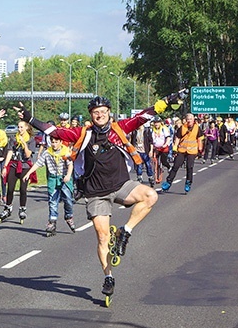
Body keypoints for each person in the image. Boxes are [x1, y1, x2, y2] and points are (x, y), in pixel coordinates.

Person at [16, 94, 174, 302]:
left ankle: (124, 232)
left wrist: (166, 102)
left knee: (150, 196)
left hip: (121, 186)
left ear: (109, 113)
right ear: (91, 115)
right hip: (96, 192)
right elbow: (54, 131)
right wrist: (29, 118)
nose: (100, 115)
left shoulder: (120, 128)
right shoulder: (83, 134)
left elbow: (144, 116)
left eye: (103, 111)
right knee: (102, 237)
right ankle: (108, 276)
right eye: (96, 112)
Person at [23, 134, 75, 236]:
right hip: (53, 178)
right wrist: (28, 173)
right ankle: (52, 221)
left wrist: (68, 175)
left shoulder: (66, 152)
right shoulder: (47, 153)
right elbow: (38, 163)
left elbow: (70, 165)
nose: (54, 144)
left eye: (56, 142)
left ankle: (69, 216)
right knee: (53, 200)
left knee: (68, 199)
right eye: (52, 142)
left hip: (64, 178)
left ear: (61, 142)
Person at [0, 102, 37, 224]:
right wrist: (5, 166)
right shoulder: (13, 139)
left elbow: (28, 155)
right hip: (14, 165)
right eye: (18, 127)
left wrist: (24, 143)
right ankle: (8, 207)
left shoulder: (30, 140)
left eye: (21, 127)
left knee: (23, 189)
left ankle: (22, 208)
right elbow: (9, 152)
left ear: (26, 128)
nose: (19, 129)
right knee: (10, 189)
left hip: (25, 166)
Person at [161, 113, 205, 193]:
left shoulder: (197, 128)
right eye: (188, 119)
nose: (189, 121)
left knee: (189, 167)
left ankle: (188, 183)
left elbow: (199, 140)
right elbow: (177, 138)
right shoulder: (182, 128)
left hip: (192, 151)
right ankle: (168, 182)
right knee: (175, 166)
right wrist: (175, 149)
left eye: (190, 119)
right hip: (182, 150)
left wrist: (200, 150)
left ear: (193, 120)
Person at [150, 117, 172, 184]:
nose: (156, 124)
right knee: (155, 162)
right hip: (156, 148)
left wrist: (165, 144)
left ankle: (168, 167)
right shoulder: (152, 130)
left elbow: (168, 138)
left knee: (163, 161)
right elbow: (150, 140)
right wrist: (151, 149)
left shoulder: (164, 129)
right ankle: (156, 177)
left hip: (163, 148)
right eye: (155, 122)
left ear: (160, 123)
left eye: (157, 122)